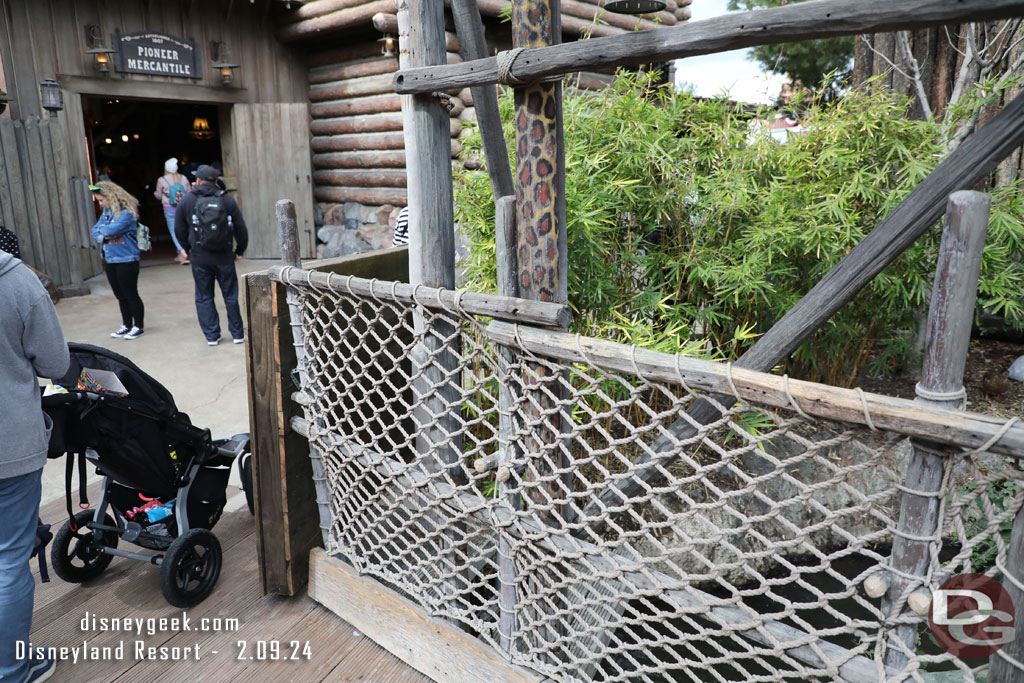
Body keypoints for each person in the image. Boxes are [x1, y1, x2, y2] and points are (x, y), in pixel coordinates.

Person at [0, 248, 70, 683]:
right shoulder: (16, 281)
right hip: (9, 446)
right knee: (7, 560)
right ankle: (11, 670)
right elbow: (57, 365)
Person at [174, 164, 249, 346]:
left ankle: (212, 336)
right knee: (230, 295)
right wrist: (239, 251)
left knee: (204, 296)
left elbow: (179, 229)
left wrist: (188, 248)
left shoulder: (187, 201)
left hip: (200, 257)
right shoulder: (227, 200)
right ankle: (238, 334)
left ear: (197, 181)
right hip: (224, 256)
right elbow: (241, 229)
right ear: (216, 181)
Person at [91, 181, 145, 340]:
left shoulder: (127, 213)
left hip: (127, 259)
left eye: (101, 200)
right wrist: (104, 233)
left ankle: (138, 326)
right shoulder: (107, 213)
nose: (100, 204)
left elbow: (111, 230)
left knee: (130, 294)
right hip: (110, 259)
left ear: (110, 196)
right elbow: (96, 230)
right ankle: (126, 324)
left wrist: (104, 233)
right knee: (120, 295)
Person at [153, 158, 192, 264]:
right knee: (184, 230)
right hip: (183, 207)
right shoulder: (183, 178)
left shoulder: (161, 180)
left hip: (169, 208)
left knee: (174, 231)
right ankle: (181, 255)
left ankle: (182, 251)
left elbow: (158, 196)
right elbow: (189, 192)